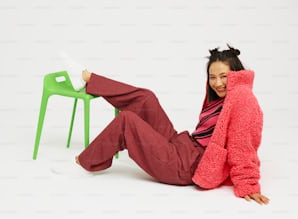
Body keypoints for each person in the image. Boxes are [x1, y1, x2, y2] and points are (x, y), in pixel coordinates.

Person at [71, 45, 269, 205]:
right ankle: (89, 79)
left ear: (235, 74)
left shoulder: (243, 98)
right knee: (146, 98)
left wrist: (248, 184)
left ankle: (84, 162)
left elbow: (242, 144)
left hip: (186, 167)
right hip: (183, 146)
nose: (217, 83)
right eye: (212, 77)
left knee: (126, 121)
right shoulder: (222, 97)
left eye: (224, 76)